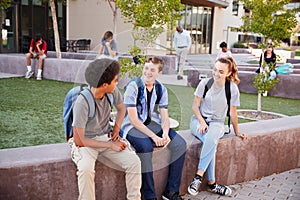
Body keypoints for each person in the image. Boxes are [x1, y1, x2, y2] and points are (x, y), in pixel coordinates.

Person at [70, 58, 141, 200]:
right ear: (104, 84)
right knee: (85, 169)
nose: (117, 83)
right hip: (86, 143)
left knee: (134, 162)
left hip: (105, 137)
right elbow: (79, 140)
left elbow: (122, 109)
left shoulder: (111, 92)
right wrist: (110, 144)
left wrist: (116, 129)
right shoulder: (82, 102)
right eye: (115, 80)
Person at [121, 56, 186, 200]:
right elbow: (133, 120)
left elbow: (164, 116)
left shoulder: (161, 89)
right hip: (131, 126)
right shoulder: (133, 86)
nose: (148, 72)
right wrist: (154, 137)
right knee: (145, 147)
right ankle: (150, 196)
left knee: (180, 144)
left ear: (159, 73)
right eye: (146, 68)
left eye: (152, 70)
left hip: (150, 122)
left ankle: (171, 192)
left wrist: (165, 133)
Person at [187, 57, 248, 197]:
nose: (216, 74)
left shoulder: (232, 89)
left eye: (221, 71)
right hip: (198, 121)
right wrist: (202, 122)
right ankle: (212, 184)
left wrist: (237, 132)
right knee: (211, 141)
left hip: (217, 123)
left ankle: (198, 177)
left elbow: (233, 112)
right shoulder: (205, 83)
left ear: (228, 73)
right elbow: (194, 106)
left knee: (211, 138)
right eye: (215, 70)